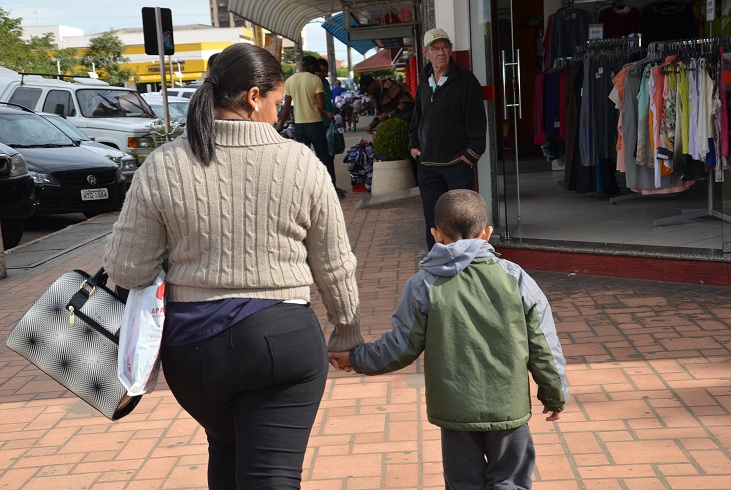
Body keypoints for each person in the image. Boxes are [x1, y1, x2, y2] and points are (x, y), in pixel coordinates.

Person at [103, 43, 364, 489]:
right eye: (278, 103)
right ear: (253, 97)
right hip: (281, 342)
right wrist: (345, 329)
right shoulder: (301, 162)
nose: (279, 114)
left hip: (192, 353)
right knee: (272, 476)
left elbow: (127, 270)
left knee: (226, 448)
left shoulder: (165, 163)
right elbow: (333, 262)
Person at [329, 189, 568, 490]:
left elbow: (401, 347)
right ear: (487, 233)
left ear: (435, 234)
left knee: (462, 484)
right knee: (510, 482)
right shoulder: (516, 278)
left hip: (455, 412)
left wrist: (356, 357)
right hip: (508, 409)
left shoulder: (423, 284)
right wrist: (554, 393)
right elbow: (544, 345)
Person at [410, 28, 487, 250]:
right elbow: (418, 115)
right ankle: (436, 261)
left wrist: (471, 156)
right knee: (433, 221)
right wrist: (414, 146)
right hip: (428, 164)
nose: (440, 53)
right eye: (435, 49)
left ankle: (465, 261)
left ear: (450, 49)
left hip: (457, 164)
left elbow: (477, 121)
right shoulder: (424, 79)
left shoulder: (465, 80)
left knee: (460, 220)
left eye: (444, 47)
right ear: (426, 53)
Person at [278, 56, 342, 198]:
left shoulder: (290, 81)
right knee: (324, 158)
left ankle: (305, 193)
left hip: (300, 126)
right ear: (312, 67)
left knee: (302, 160)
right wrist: (323, 109)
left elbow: (286, 108)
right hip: (315, 124)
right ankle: (331, 190)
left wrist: (280, 125)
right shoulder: (315, 80)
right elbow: (320, 106)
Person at [317, 58, 346, 198]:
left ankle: (332, 185)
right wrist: (325, 113)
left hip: (330, 122)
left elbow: (328, 101)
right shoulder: (315, 82)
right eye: (321, 71)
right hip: (320, 124)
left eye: (325, 71)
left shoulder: (326, 82)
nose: (323, 74)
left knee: (331, 154)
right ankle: (329, 188)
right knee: (326, 156)